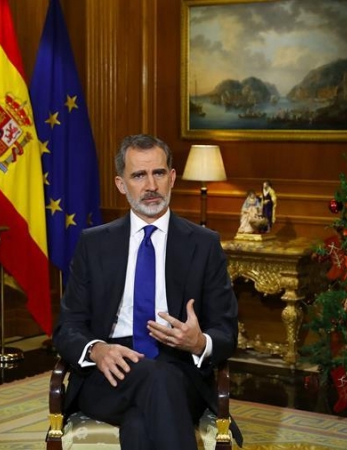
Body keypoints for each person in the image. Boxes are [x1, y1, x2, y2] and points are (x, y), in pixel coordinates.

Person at [52, 134, 242, 449]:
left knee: (142, 418)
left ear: (172, 178)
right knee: (156, 386)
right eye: (139, 175)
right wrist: (98, 351)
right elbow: (67, 327)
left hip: (179, 370)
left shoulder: (203, 244)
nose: (150, 185)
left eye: (158, 173)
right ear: (121, 184)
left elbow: (226, 330)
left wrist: (199, 342)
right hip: (109, 373)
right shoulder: (94, 244)